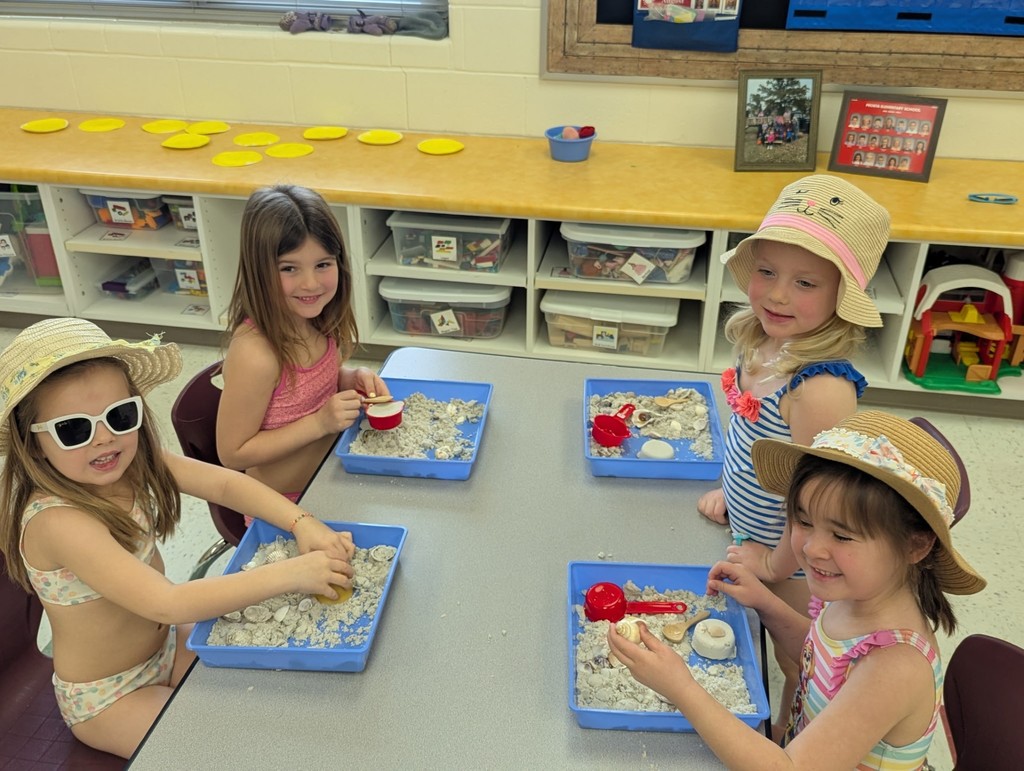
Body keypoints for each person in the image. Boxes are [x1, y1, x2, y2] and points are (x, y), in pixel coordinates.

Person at [0, 318, 357, 758]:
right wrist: (293, 573)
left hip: (167, 644)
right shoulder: (57, 522)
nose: (105, 438)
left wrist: (303, 523)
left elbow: (226, 485)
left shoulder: (134, 461)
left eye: (120, 415)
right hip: (110, 696)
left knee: (276, 697)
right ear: (33, 443)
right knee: (226, 751)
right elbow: (166, 602)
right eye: (74, 429)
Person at [611, 411, 986, 767]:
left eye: (841, 534)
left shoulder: (896, 667)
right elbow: (820, 660)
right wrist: (766, 604)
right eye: (803, 522)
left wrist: (681, 688)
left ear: (915, 546)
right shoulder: (854, 596)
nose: (811, 548)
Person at [696, 174, 890, 737]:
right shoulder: (761, 338)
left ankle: (789, 736)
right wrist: (729, 493)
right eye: (767, 272)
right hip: (757, 531)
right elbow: (750, 436)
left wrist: (774, 564)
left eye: (805, 282)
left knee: (794, 658)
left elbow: (819, 503)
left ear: (840, 299)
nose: (778, 295)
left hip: (799, 557)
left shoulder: (818, 388)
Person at [218, 185, 388, 511]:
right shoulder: (256, 355)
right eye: (289, 268)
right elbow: (232, 453)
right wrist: (320, 424)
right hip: (285, 509)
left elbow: (310, 389)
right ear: (259, 271)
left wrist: (349, 377)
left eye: (323, 264)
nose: (310, 283)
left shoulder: (318, 319)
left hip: (336, 480)